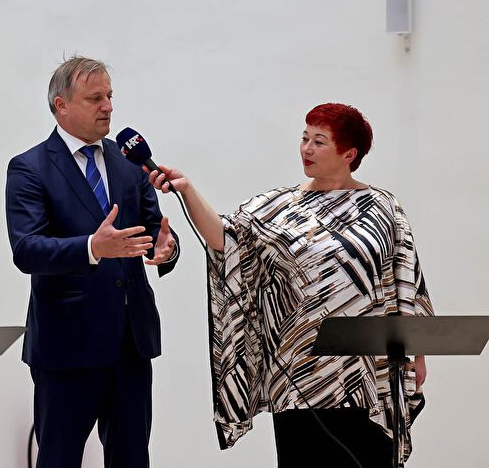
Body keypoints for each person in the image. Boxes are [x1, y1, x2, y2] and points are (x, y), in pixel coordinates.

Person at [147, 103, 434, 468]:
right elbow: (226, 239)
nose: (306, 149)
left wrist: (417, 352)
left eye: (319, 141)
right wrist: (187, 190)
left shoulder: (383, 207)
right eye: (304, 138)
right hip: (299, 373)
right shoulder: (277, 207)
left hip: (369, 374)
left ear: (349, 154)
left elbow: (406, 277)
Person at [5, 56, 180, 468]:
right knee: (59, 459)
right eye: (95, 98)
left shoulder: (128, 162)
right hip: (67, 345)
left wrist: (166, 249)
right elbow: (27, 249)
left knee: (132, 459)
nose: (108, 107)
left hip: (130, 343)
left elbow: (154, 230)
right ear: (61, 105)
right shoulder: (30, 168)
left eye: (110, 96)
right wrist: (91, 248)